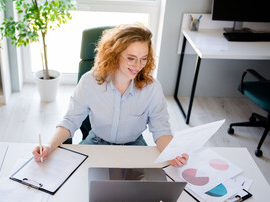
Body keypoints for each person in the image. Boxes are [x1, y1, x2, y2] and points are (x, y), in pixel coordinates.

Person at [33, 24, 188, 168]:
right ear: (115, 54)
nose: (138, 66)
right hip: (96, 143)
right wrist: (48, 146)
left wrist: (173, 153)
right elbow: (70, 121)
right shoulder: (90, 81)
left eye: (143, 59)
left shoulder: (152, 88)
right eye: (131, 58)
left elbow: (161, 130)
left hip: (134, 146)